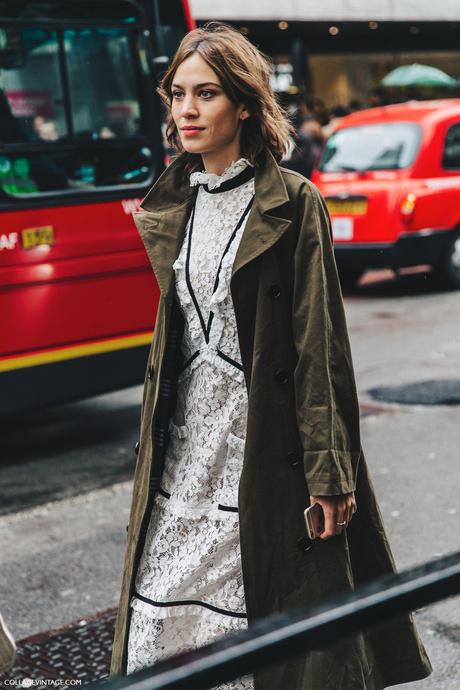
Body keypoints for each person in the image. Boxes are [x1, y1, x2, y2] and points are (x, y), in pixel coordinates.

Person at [110, 21, 432, 689]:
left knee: (268, 627)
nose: (187, 110)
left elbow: (321, 347)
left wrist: (329, 471)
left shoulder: (293, 202)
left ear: (246, 106)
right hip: (182, 456)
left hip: (260, 452)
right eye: (177, 94)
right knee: (162, 622)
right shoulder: (173, 204)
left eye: (206, 94)